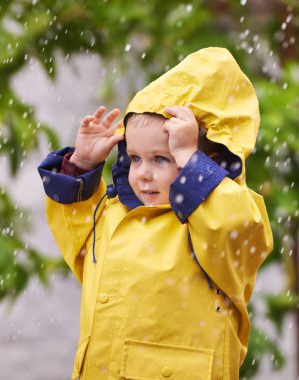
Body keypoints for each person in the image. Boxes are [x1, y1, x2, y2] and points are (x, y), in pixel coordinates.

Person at [38, 47, 273, 380]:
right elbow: (76, 237)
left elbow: (233, 227)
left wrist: (192, 162)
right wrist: (82, 165)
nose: (143, 173)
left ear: (209, 159)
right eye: (134, 158)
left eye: (162, 159)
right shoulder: (115, 216)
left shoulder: (218, 227)